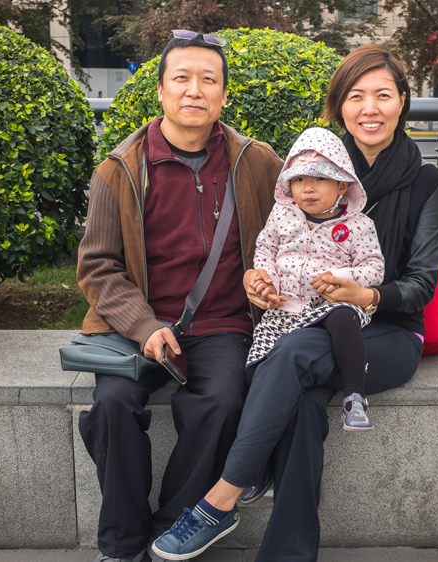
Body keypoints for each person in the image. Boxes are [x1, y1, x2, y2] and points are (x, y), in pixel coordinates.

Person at [150, 44, 438, 560]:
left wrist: (368, 294)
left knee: (293, 355)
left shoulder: (425, 181)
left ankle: (220, 499)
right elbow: (270, 247)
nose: (369, 108)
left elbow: (423, 280)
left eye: (383, 95)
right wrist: (255, 283)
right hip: (306, 327)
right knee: (303, 399)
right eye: (356, 96)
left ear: (403, 102)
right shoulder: (308, 172)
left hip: (390, 331)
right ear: (339, 106)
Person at [75, 30, 279, 562]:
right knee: (112, 407)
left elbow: (296, 231)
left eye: (208, 80)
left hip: (224, 326)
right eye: (182, 78)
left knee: (220, 402)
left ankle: (171, 532)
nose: (195, 90)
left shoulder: (256, 163)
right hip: (137, 326)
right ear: (161, 91)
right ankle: (121, 545)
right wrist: (143, 326)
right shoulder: (118, 170)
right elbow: (97, 266)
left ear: (225, 95)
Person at [243, 126, 383, 434]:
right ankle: (267, 428)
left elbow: (374, 268)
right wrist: (267, 281)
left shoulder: (358, 226)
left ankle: (354, 398)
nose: (308, 188)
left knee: (344, 321)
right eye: (299, 179)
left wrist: (340, 279)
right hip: (284, 308)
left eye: (320, 179)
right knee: (256, 369)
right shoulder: (282, 217)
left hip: (330, 304)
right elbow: (265, 250)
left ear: (343, 184)